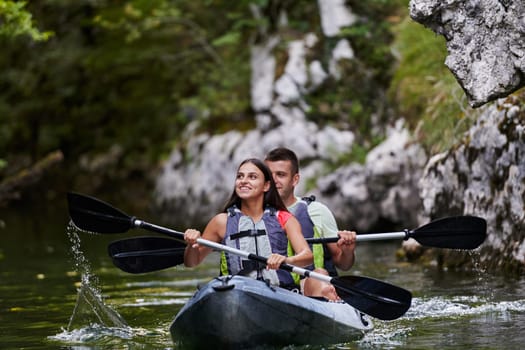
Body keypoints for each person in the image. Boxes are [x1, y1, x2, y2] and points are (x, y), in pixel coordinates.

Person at [183, 158, 313, 289]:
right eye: (240, 176)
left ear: (266, 186)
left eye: (252, 177)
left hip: (279, 292)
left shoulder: (284, 218)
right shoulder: (221, 221)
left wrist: (286, 260)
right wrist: (191, 245)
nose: (243, 181)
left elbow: (307, 255)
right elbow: (192, 262)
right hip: (236, 290)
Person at [265, 147, 357, 300]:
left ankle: (331, 300)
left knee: (319, 274)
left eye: (281, 175)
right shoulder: (252, 215)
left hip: (309, 288)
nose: (274, 180)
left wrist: (347, 251)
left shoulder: (318, 211)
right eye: (269, 175)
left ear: (295, 179)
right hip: (270, 289)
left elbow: (344, 264)